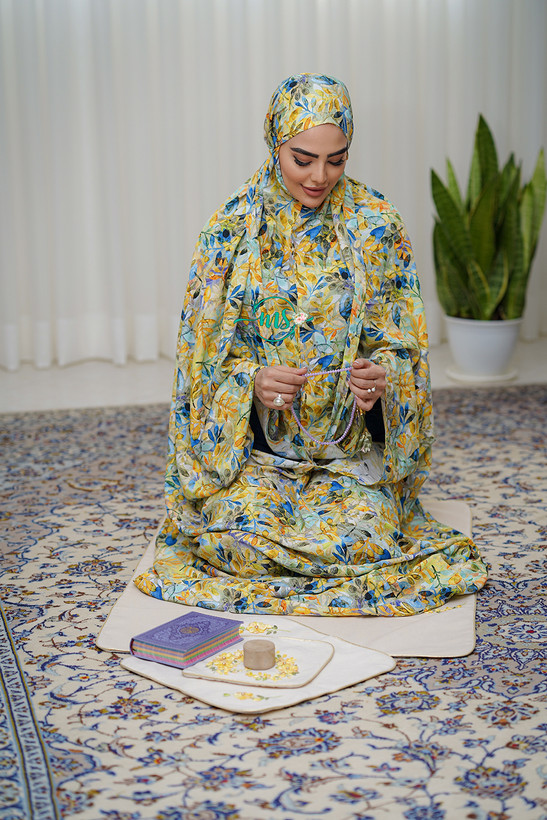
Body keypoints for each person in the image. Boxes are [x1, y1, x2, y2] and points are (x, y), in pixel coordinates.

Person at [134, 73, 487, 616]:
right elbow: (200, 364)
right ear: (275, 142)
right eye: (303, 159)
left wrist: (381, 379)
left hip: (350, 458)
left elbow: (402, 347)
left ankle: (346, 530)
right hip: (257, 458)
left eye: (336, 160)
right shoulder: (230, 231)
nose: (320, 176)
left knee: (362, 540)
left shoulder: (377, 224)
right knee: (235, 542)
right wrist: (251, 382)